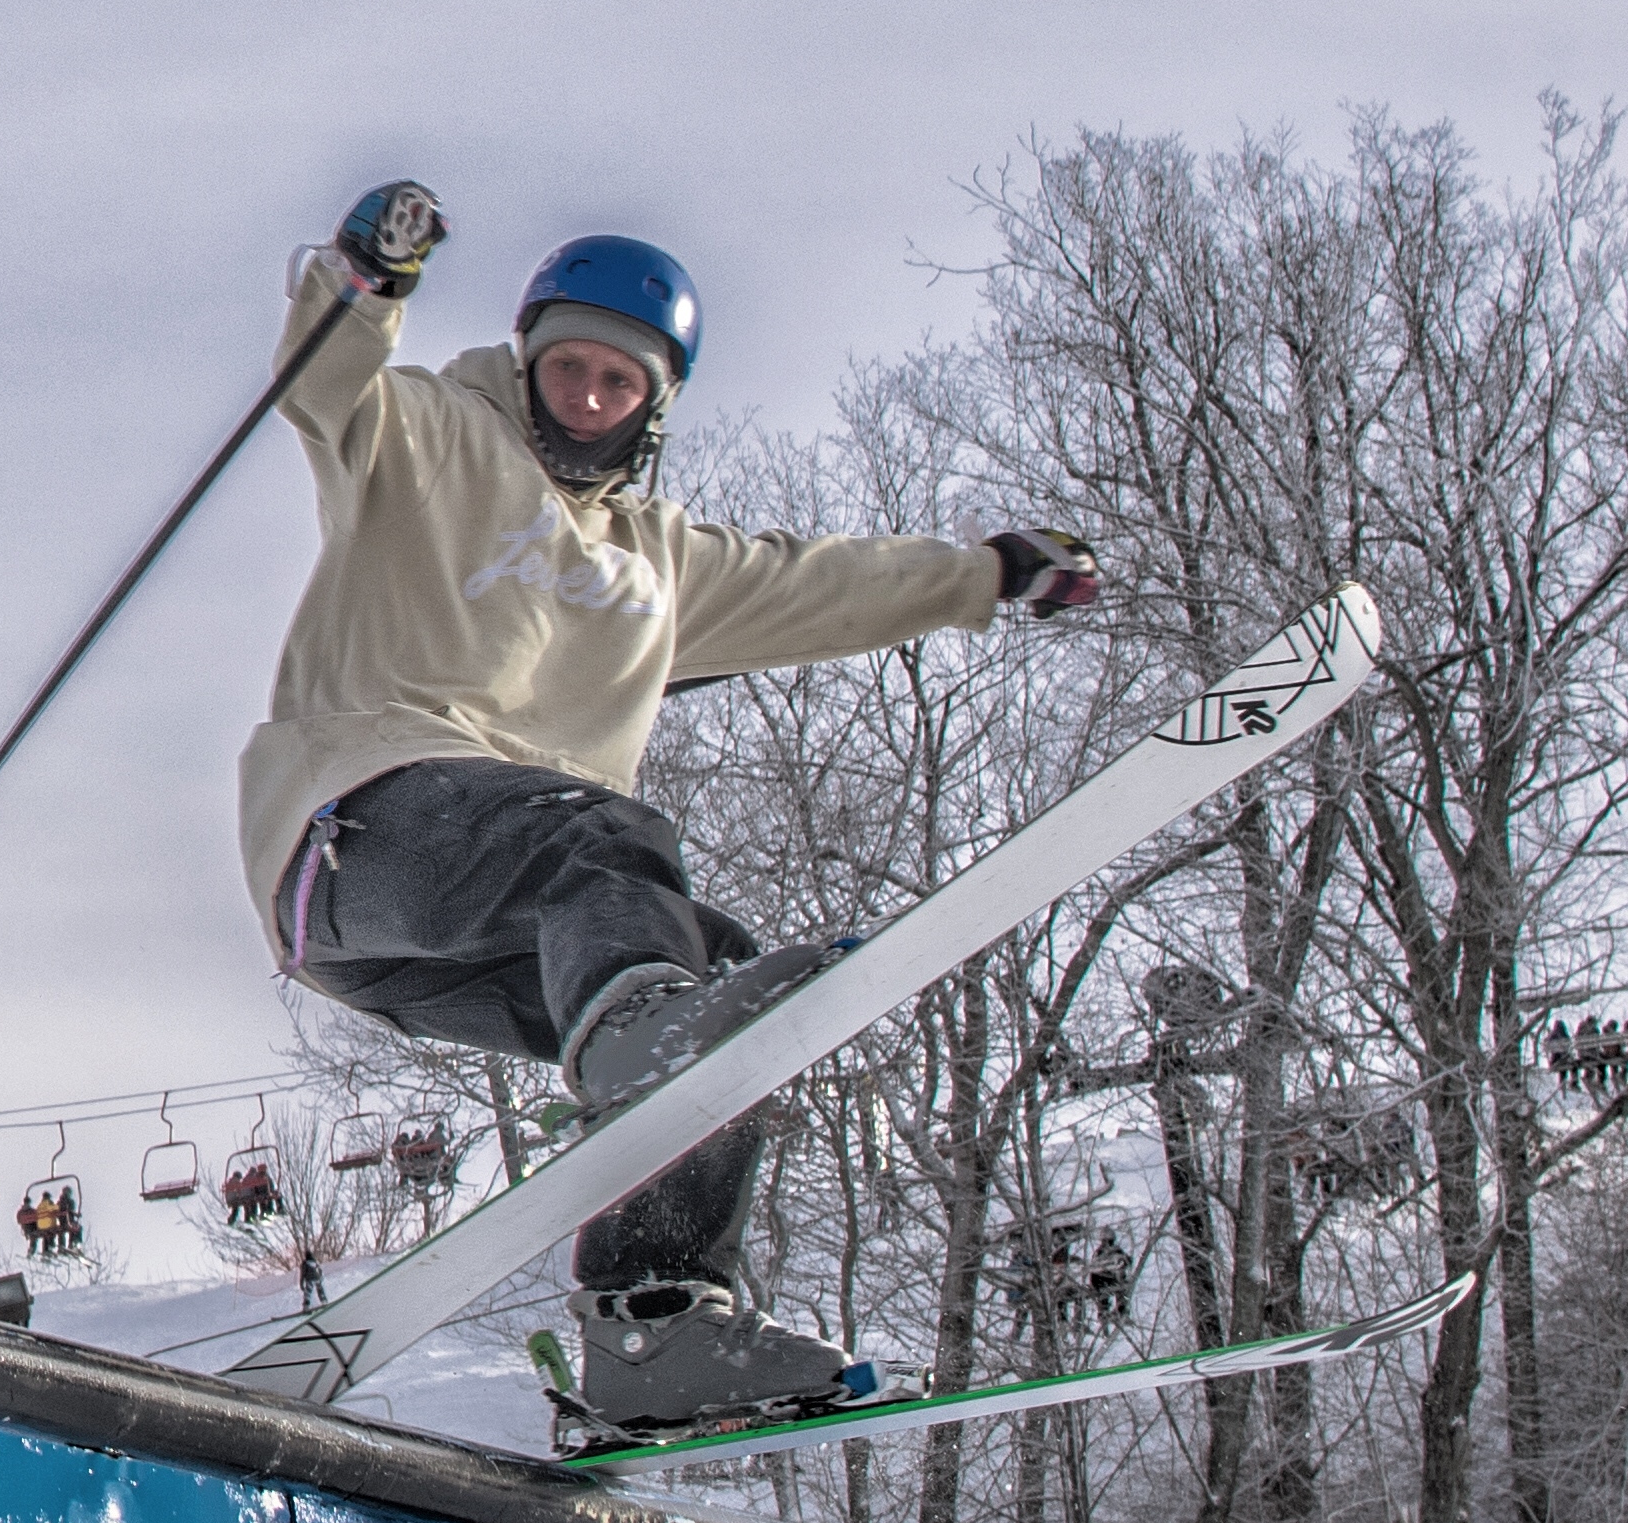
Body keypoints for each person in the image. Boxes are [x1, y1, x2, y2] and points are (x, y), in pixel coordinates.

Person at [247, 184, 1101, 1427]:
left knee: (723, 979)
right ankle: (646, 1040)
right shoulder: (426, 436)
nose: (587, 401)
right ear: (529, 363)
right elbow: (327, 387)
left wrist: (985, 576)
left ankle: (655, 1322)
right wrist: (363, 281)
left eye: (618, 385)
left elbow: (824, 587)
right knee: (608, 842)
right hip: (364, 836)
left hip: (458, 952)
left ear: (655, 405)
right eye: (569, 371)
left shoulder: (658, 562)